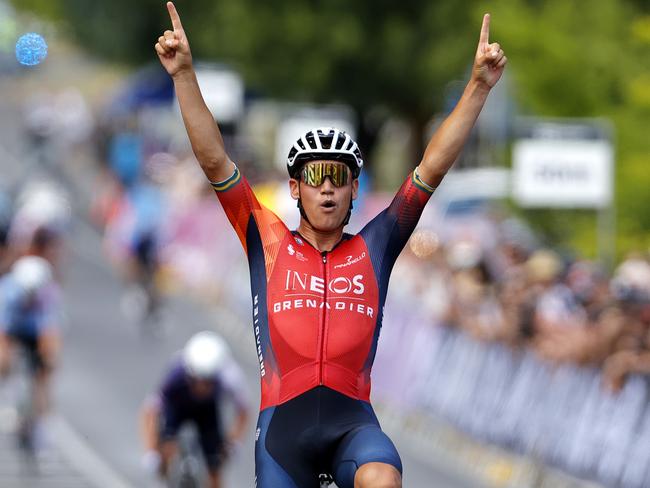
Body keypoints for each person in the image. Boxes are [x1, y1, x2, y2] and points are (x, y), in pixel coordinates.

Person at [155, 2, 506, 486]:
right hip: (284, 432)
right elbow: (215, 162)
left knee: (382, 478)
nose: (326, 187)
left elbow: (431, 169)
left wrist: (478, 87)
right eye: (315, 177)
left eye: (338, 178)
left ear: (353, 189)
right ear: (295, 188)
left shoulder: (377, 245)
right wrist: (184, 75)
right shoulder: (266, 237)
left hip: (352, 426)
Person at [140, 331, 250, 488]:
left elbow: (244, 411)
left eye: (208, 382)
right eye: (197, 380)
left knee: (215, 466)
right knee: (166, 449)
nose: (201, 387)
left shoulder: (230, 376)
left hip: (208, 411)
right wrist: (151, 450)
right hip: (178, 406)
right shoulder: (177, 371)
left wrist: (234, 441)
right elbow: (149, 411)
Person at [0, 255, 62, 450]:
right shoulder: (7, 292)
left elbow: (50, 331)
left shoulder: (49, 294)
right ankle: (7, 398)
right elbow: (3, 331)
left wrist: (49, 358)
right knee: (2, 360)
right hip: (12, 326)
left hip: (34, 329)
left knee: (46, 372)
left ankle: (43, 421)